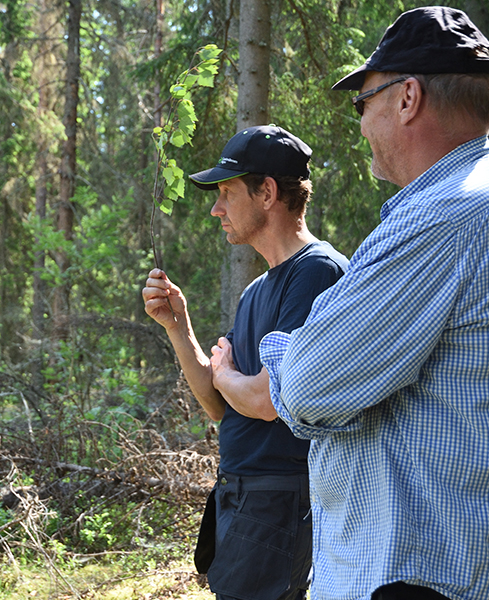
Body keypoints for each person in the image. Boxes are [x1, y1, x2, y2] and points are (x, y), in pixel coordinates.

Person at [258, 7, 489, 600]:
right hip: (449, 572)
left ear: (407, 98)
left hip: (414, 577)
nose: (361, 123)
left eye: (363, 103)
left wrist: (280, 350)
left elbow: (309, 385)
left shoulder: (446, 217)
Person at [142, 125, 348, 600]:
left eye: (227, 193)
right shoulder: (258, 289)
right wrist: (178, 324)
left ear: (268, 192)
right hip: (240, 496)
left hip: (281, 502)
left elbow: (267, 399)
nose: (216, 208)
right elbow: (222, 405)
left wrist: (230, 375)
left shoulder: (317, 272)